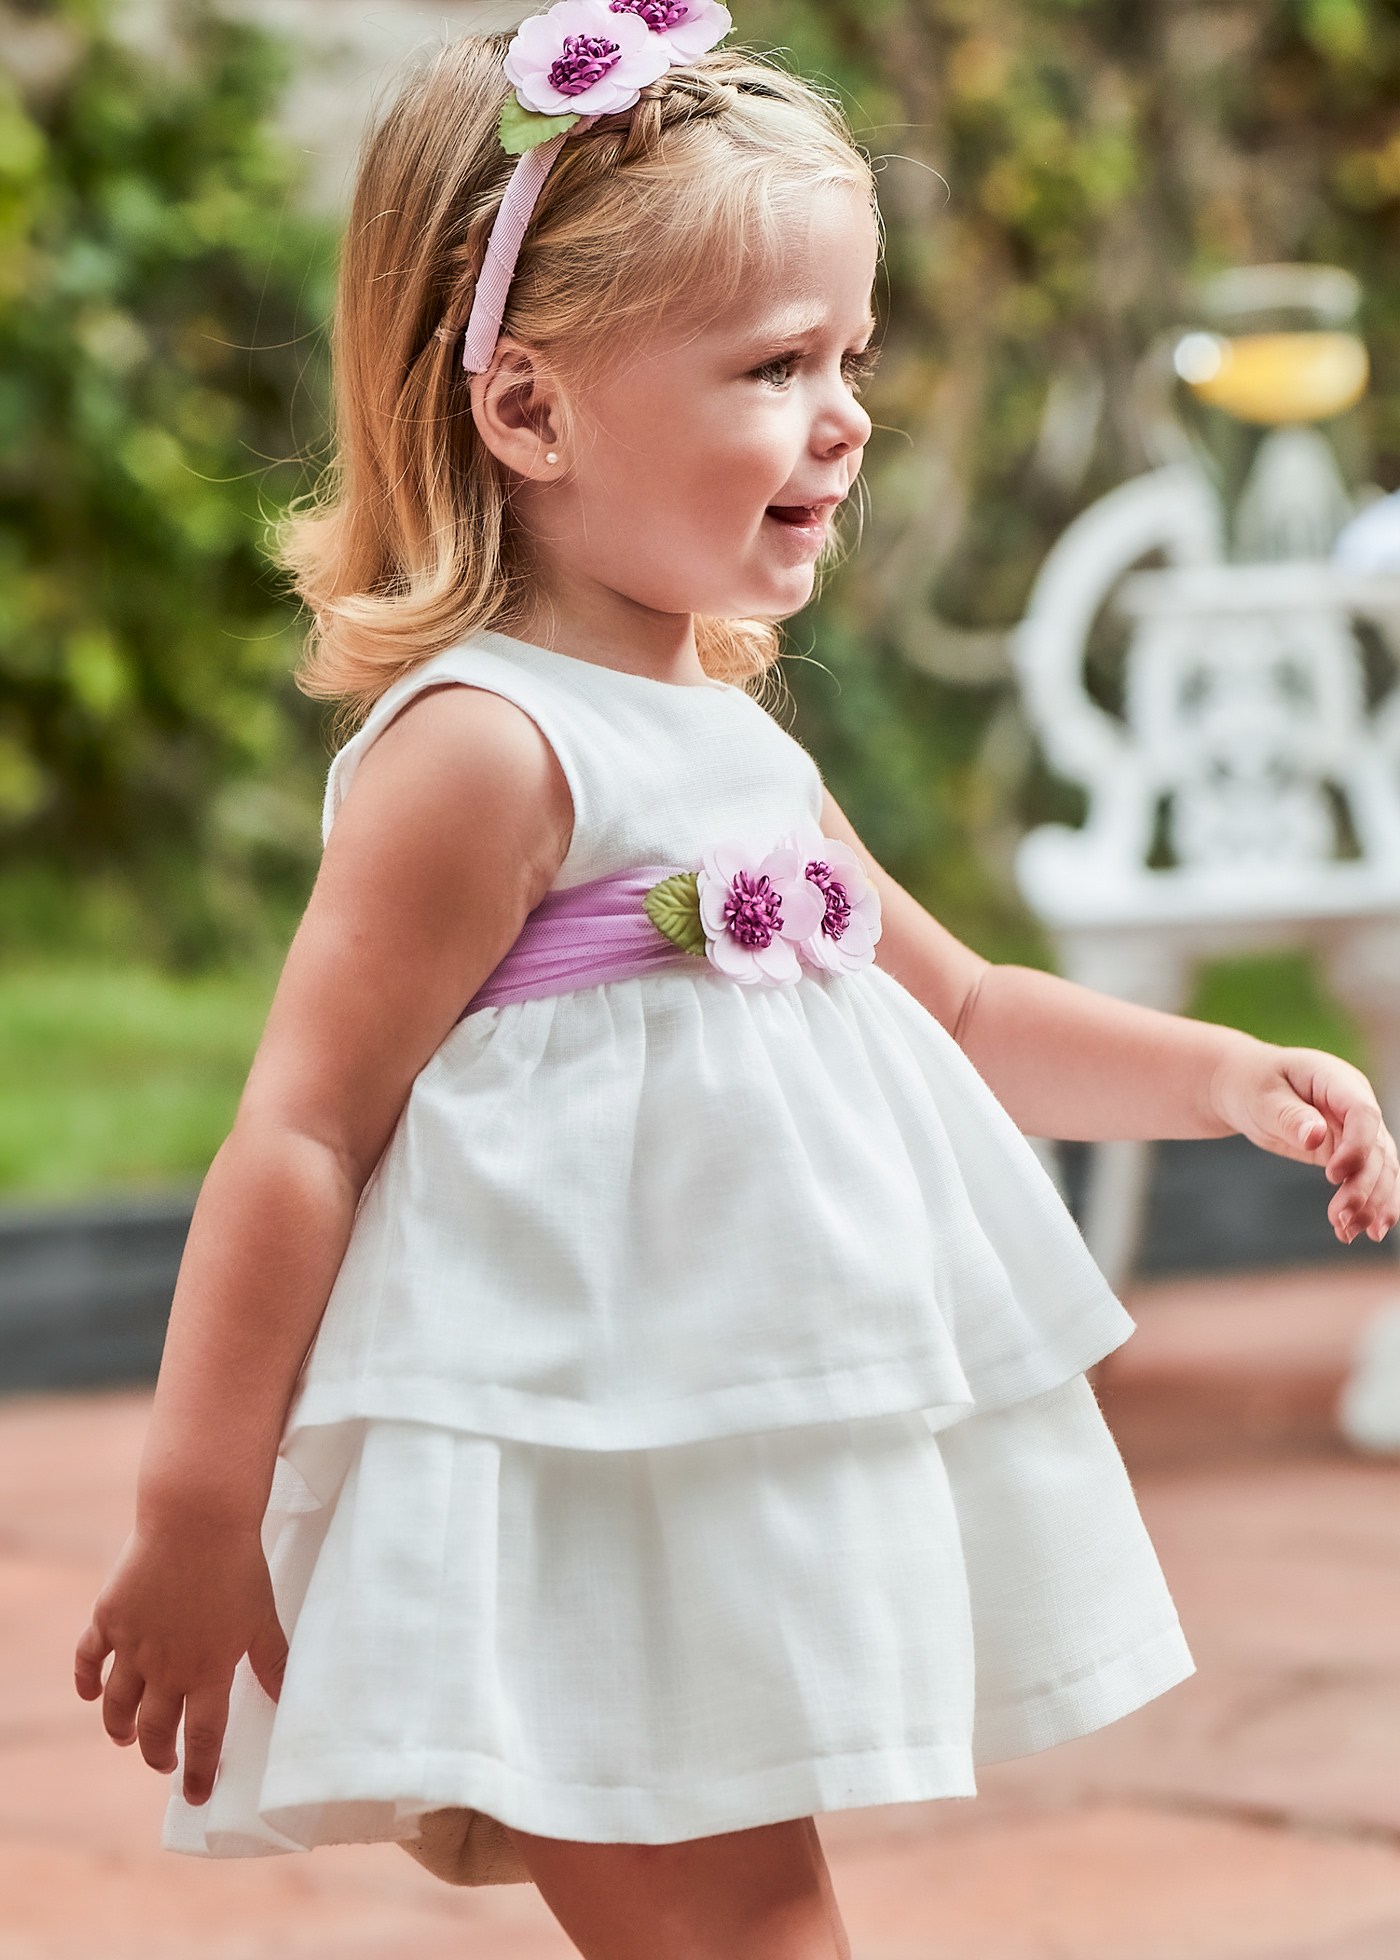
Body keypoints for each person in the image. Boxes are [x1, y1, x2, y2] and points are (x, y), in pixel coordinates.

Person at [73, 7, 1399, 1955]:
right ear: (525, 409)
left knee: (752, 1917)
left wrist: (1217, 1071)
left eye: (849, 355)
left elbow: (950, 1009)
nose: (847, 413)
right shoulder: (490, 748)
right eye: (776, 365)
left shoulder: (716, 723)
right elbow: (299, 1129)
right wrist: (197, 1506)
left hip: (708, 1440)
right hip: (585, 1459)